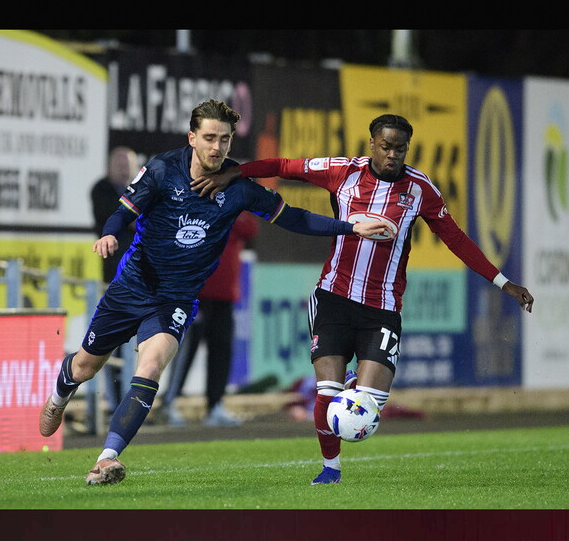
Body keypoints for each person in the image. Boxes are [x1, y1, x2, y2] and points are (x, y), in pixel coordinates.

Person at [38, 99, 391, 486]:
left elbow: (294, 218)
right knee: (86, 366)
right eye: (209, 138)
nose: (217, 148)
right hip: (133, 286)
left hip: (177, 297)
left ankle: (106, 458)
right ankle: (60, 394)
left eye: (224, 140)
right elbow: (123, 211)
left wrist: (349, 228)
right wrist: (108, 232)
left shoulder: (239, 188)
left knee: (151, 366)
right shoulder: (161, 170)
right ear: (192, 137)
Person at [191, 113, 535, 485]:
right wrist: (235, 173)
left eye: (400, 149)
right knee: (327, 393)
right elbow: (282, 165)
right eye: (386, 147)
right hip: (334, 298)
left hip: (383, 307)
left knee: (370, 408)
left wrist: (504, 282)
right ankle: (330, 469)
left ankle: (357, 384)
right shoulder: (342, 171)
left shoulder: (420, 190)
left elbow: (457, 240)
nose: (392, 155)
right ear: (371, 143)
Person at [161, 210, 259, 427]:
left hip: (225, 294)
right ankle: (170, 402)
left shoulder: (237, 202)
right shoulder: (199, 204)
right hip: (198, 293)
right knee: (185, 350)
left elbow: (250, 228)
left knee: (221, 350)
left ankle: (215, 405)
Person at [89, 146, 141, 423]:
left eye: (128, 163)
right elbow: (115, 218)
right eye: (118, 162)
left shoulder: (143, 190)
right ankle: (112, 401)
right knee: (109, 339)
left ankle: (130, 401)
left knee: (136, 342)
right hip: (112, 279)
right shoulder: (101, 190)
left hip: (142, 278)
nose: (123, 167)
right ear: (109, 165)